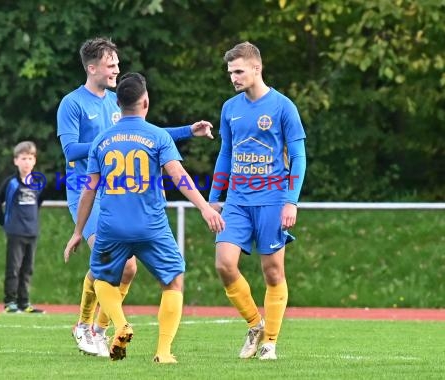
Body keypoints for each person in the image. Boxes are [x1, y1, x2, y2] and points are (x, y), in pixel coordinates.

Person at [56, 37, 214, 357]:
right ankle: (84, 324)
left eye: (117, 62)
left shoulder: (117, 102)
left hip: (118, 192)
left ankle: (100, 328)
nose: (116, 67)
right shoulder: (72, 103)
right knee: (109, 260)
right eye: (110, 63)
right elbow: (71, 151)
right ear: (92, 67)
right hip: (87, 193)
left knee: (128, 270)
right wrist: (109, 143)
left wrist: (187, 131)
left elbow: (143, 132)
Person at [208, 42, 307, 361]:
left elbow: (299, 157)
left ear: (256, 69)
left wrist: (291, 201)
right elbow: (225, 153)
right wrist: (213, 198)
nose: (234, 77)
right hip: (236, 201)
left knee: (273, 272)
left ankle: (270, 342)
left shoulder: (283, 107)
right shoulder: (230, 108)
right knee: (224, 263)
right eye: (230, 72)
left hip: (272, 200)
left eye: (238, 71)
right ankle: (255, 324)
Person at [0, 141, 45, 314]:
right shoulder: (11, 183)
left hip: (32, 232)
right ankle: (10, 302)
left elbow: (38, 202)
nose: (27, 162)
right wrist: (4, 223)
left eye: (30, 158)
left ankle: (24, 303)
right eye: (23, 158)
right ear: (16, 161)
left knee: (28, 269)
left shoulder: (38, 181)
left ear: (34, 160)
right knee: (13, 268)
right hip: (15, 232)